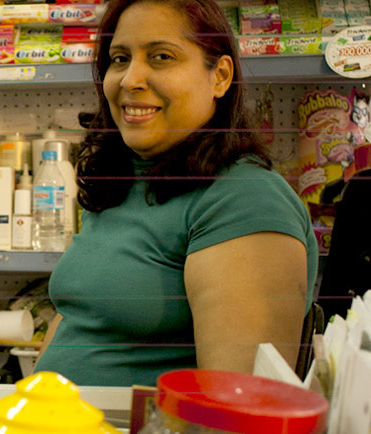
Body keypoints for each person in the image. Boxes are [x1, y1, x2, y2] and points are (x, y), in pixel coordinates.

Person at [34, 0, 318, 387]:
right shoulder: (123, 183)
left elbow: (237, 405)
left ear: (219, 76)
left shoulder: (244, 199)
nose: (130, 78)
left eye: (161, 56)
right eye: (119, 58)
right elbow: (81, 321)